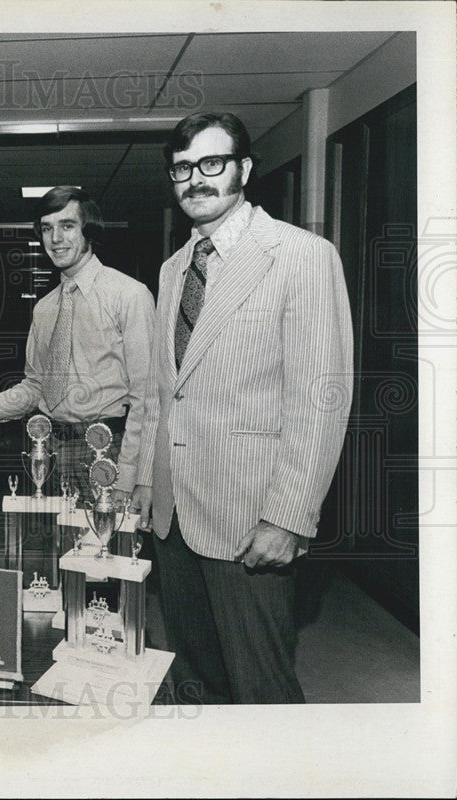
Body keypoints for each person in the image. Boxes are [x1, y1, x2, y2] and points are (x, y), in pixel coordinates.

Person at [130, 112, 353, 704]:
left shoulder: (302, 256)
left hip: (250, 517)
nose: (195, 180)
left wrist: (289, 516)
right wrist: (147, 490)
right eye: (182, 168)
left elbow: (321, 398)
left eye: (211, 163)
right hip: (174, 517)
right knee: (197, 680)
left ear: (244, 169)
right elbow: (163, 391)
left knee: (262, 688)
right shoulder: (174, 268)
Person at [0, 186, 155, 508]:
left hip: (108, 451)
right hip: (50, 453)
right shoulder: (45, 308)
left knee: (107, 553)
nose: (55, 238)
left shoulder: (129, 295)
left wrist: (129, 477)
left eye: (67, 226)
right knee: (62, 553)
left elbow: (147, 397)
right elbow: (35, 387)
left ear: (88, 231)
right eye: (47, 228)